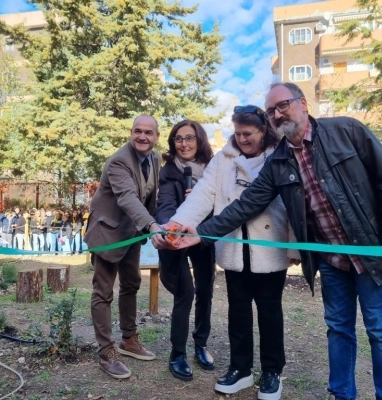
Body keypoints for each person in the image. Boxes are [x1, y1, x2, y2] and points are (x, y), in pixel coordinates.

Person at [155, 83, 382, 400]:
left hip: (369, 251)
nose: (278, 113)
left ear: (302, 103)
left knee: (381, 332)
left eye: (282, 105)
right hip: (331, 260)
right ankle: (342, 395)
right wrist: (195, 231)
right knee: (338, 328)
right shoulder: (280, 160)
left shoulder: (345, 130)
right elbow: (244, 204)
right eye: (272, 110)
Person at [154, 106, 297, 400]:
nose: (242, 139)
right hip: (233, 246)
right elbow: (205, 194)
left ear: (262, 131)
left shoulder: (279, 155)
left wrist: (294, 242)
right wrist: (178, 224)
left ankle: (272, 371)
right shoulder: (223, 160)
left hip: (268, 247)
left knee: (270, 311)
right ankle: (240, 369)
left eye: (249, 133)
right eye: (238, 133)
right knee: (238, 311)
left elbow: (295, 199)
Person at [84, 115, 162, 380]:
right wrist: (151, 225)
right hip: (107, 233)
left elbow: (151, 195)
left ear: (156, 137)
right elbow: (127, 197)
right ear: (131, 133)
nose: (142, 136)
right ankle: (106, 353)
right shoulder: (119, 161)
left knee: (131, 284)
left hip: (131, 233)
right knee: (103, 292)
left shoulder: (155, 159)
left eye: (148, 132)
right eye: (137, 131)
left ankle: (129, 340)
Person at [156, 120, 215, 382]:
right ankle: (177, 353)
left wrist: (204, 206)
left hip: (202, 237)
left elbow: (224, 206)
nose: (184, 144)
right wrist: (174, 227)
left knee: (205, 290)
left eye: (189, 138)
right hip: (176, 238)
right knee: (185, 292)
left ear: (199, 141)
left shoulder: (214, 170)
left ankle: (200, 344)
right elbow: (165, 204)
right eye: (178, 139)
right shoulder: (168, 172)